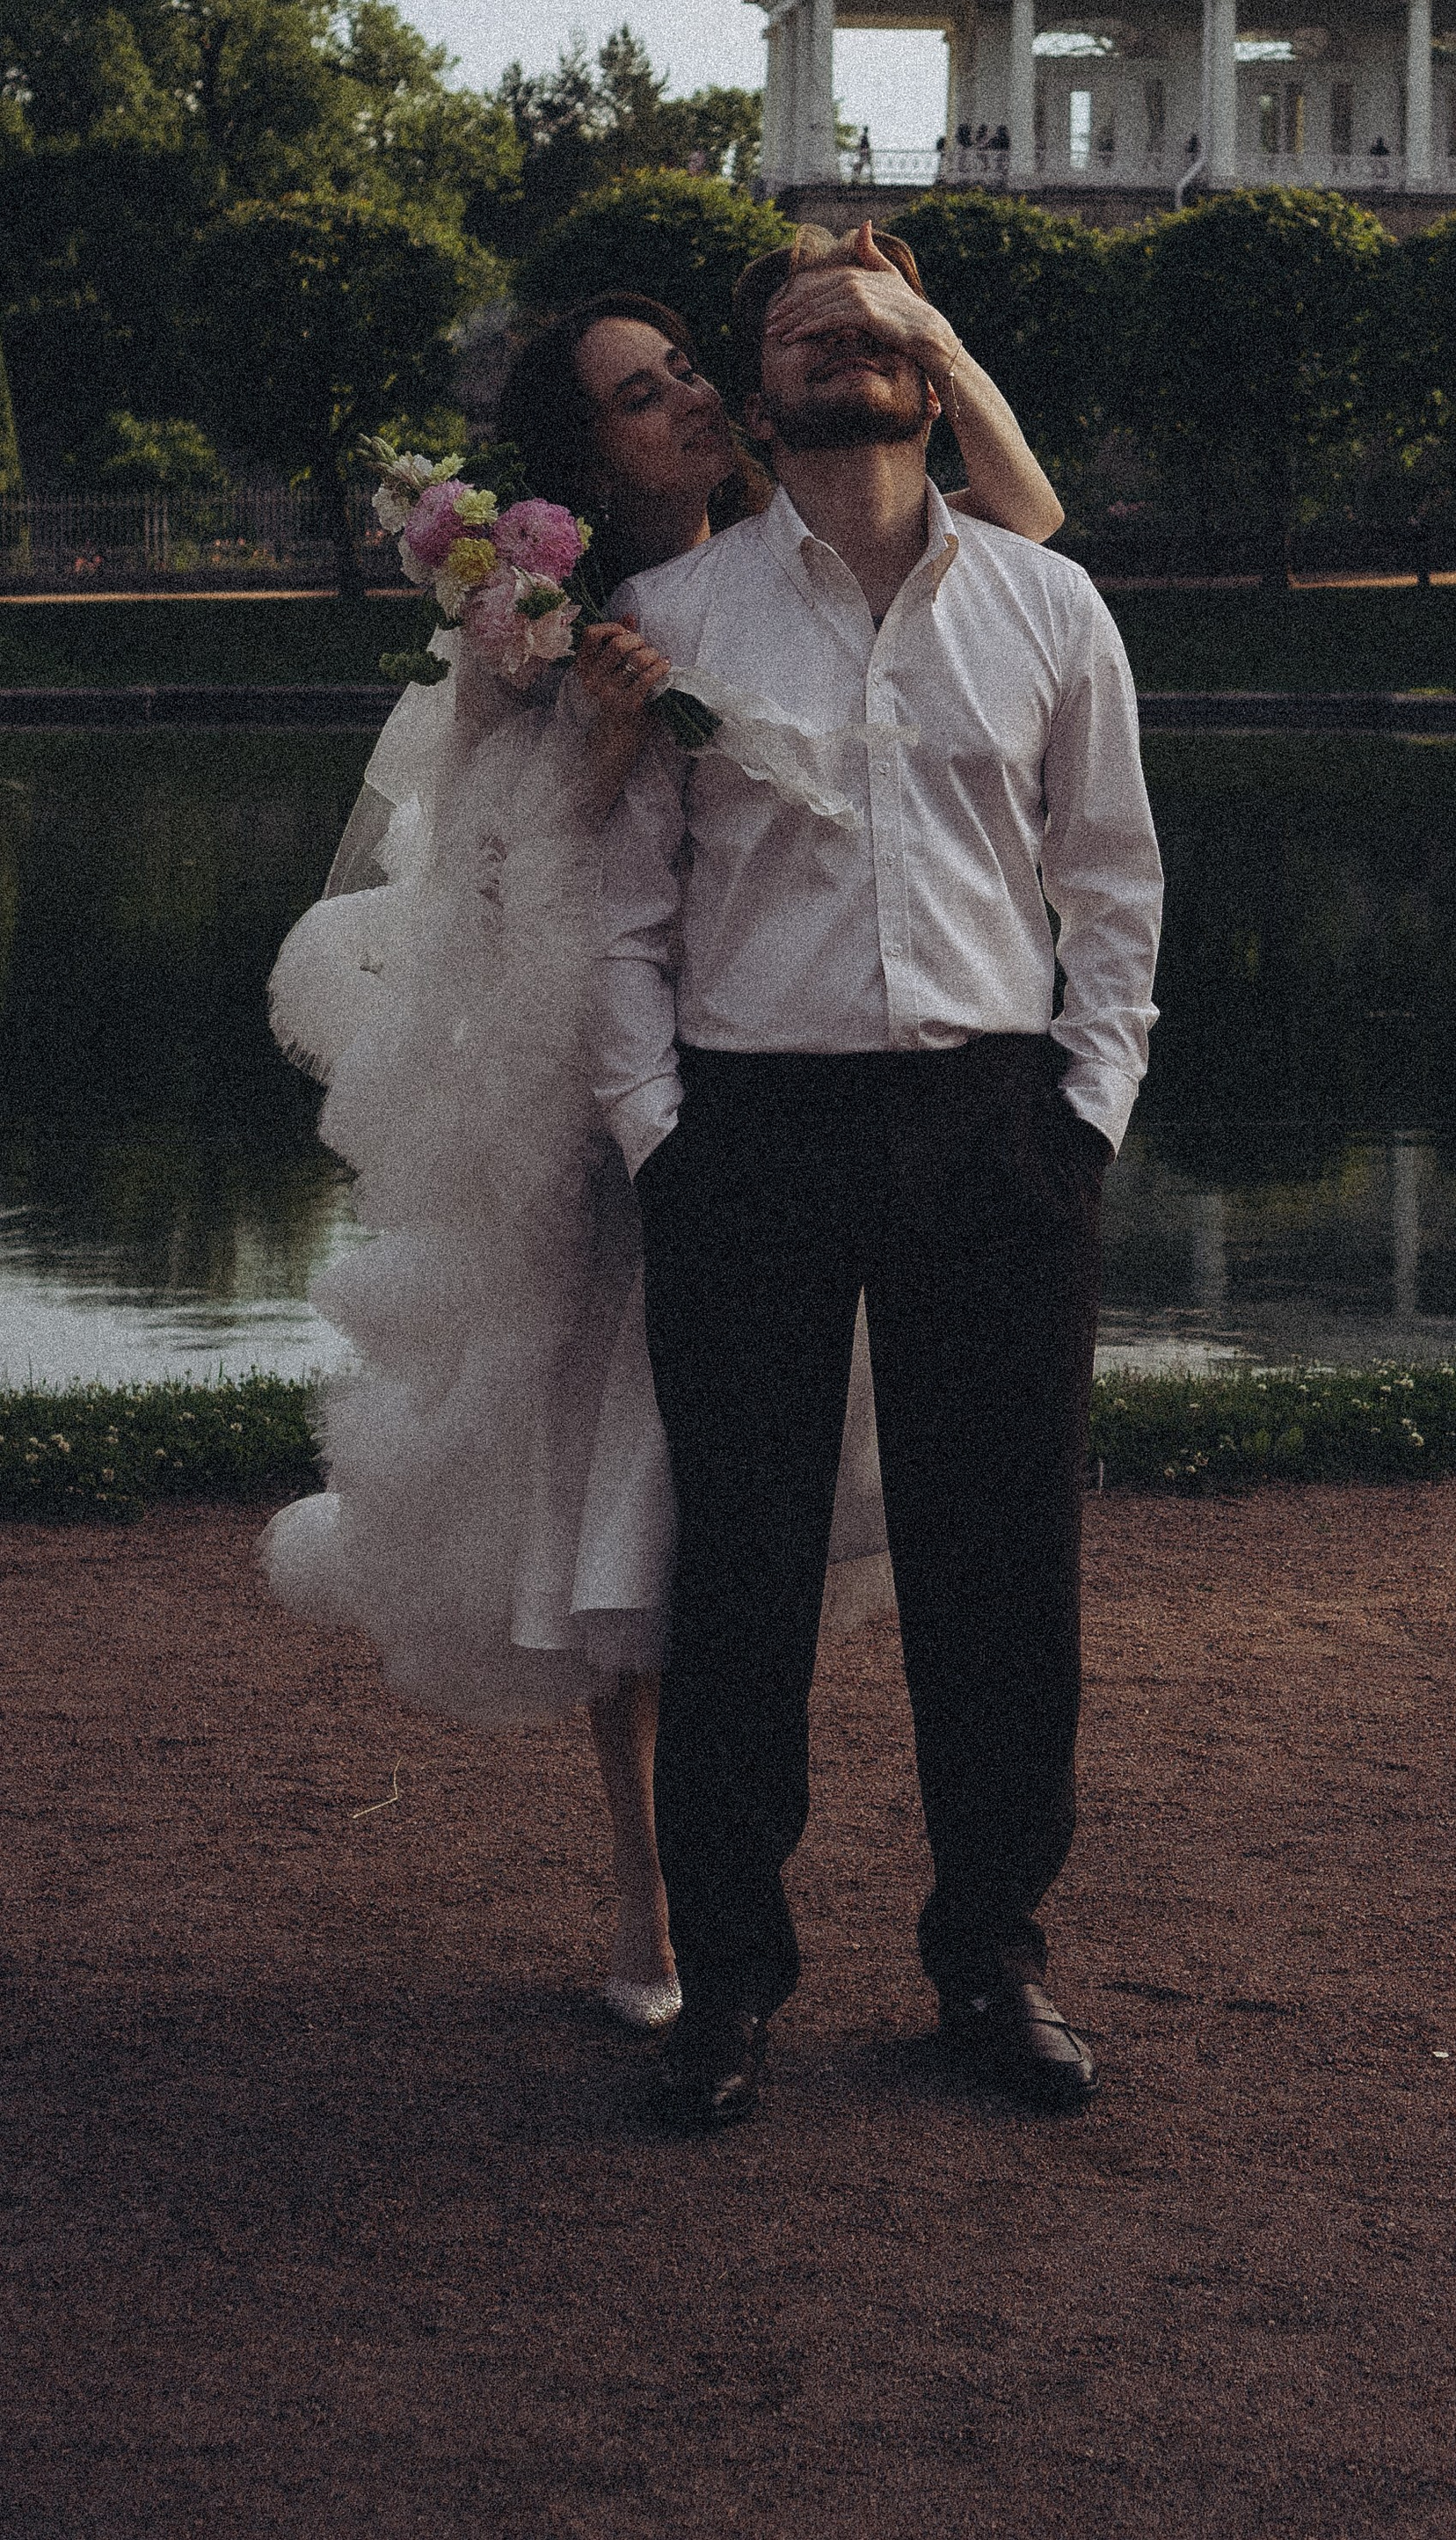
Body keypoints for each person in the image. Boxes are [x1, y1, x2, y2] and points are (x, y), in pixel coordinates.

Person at [264, 230, 1067, 2035]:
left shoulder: (832, 559)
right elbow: (502, 874)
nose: (691, 399)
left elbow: (1026, 519)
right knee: (623, 1508)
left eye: (687, 368)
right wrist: (613, 747)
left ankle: (884, 1919)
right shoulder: (539, 636)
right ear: (591, 457)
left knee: (796, 1514)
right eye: (644, 396)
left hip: (830, 1096)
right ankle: (657, 1905)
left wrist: (922, 326)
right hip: (635, 1111)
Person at [597, 223, 1164, 2128]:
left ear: (934, 373)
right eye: (799, 330)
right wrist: (657, 1133)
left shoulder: (1046, 609)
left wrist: (1082, 1109)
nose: (839, 348)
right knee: (738, 1572)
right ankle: (729, 1988)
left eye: (875, 323)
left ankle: (990, 1964)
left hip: (993, 1127)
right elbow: (624, 912)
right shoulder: (675, 629)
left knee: (1002, 1567)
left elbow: (1110, 884)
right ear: (755, 396)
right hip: (746, 1131)